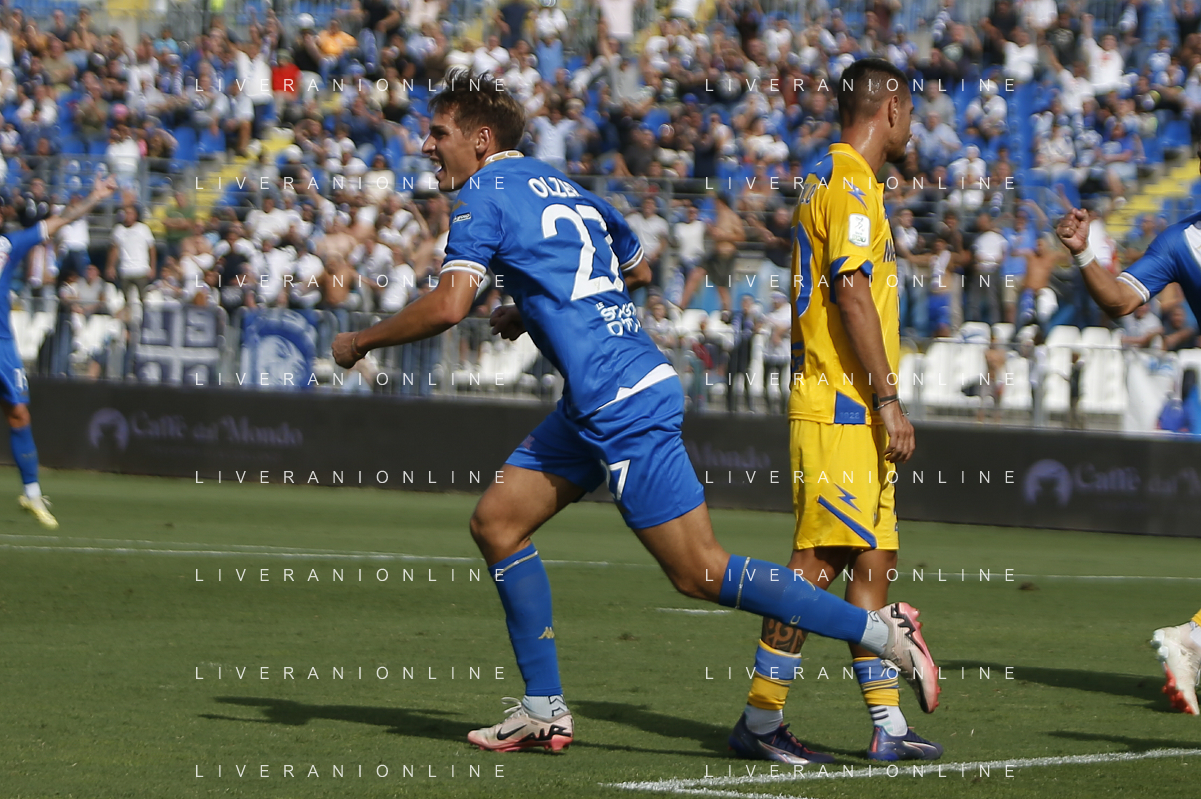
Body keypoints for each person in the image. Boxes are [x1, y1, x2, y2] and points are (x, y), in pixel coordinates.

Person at [332, 67, 939, 753]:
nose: (426, 145)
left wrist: (360, 340)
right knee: (497, 523)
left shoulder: (482, 195)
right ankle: (543, 708)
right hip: (602, 394)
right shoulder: (559, 184)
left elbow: (448, 306)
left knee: (699, 571)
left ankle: (882, 633)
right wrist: (535, 306)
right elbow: (637, 268)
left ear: (479, 140)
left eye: (438, 133)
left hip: (618, 399)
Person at [728, 58, 942, 767]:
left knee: (873, 561)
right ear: (890, 109)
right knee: (815, 565)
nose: (911, 129)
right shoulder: (847, 180)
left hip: (854, 409)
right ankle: (760, 719)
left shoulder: (835, 177)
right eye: (909, 114)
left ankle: (887, 724)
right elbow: (850, 292)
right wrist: (888, 397)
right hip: (841, 405)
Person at [1056, 146, 1201, 715]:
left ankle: (1193, 641)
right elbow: (1119, 300)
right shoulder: (1179, 242)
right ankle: (1191, 640)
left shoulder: (1178, 241)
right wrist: (1084, 252)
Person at [1, 177, 117, 527]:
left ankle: (31, 493)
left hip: (2, 344)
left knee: (19, 414)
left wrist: (94, 196)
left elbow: (61, 221)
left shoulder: (9, 244)